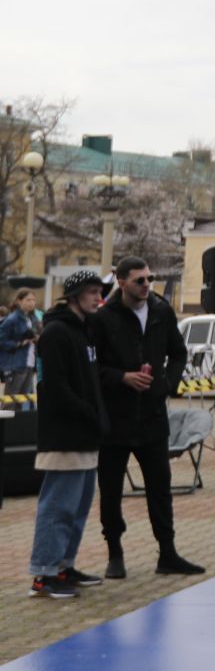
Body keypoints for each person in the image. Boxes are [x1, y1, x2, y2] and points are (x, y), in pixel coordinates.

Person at [91, 256, 200, 579]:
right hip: (116, 417)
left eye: (149, 279)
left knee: (160, 486)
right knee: (110, 488)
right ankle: (115, 553)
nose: (146, 285)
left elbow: (178, 352)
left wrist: (168, 384)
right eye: (139, 280)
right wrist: (122, 377)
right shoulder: (104, 318)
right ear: (121, 282)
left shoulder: (161, 311)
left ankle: (167, 553)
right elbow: (93, 368)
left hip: (152, 415)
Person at [28, 271, 111, 599]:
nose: (97, 298)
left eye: (99, 292)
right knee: (58, 506)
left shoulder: (84, 331)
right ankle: (43, 573)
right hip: (63, 435)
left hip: (85, 434)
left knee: (77, 507)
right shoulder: (56, 333)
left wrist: (97, 417)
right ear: (74, 295)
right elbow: (54, 387)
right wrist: (88, 413)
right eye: (91, 292)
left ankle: (64, 565)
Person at [1, 288, 41, 399]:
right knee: (10, 400)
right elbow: (2, 341)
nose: (32, 303)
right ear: (19, 301)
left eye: (34, 300)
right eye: (28, 300)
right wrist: (20, 343)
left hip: (30, 362)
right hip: (15, 364)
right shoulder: (12, 319)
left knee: (23, 401)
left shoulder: (31, 318)